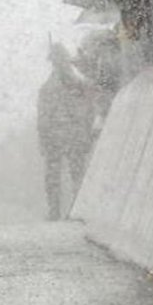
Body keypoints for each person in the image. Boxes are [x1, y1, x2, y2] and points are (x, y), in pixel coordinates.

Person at [37, 42, 97, 221]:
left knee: (69, 175)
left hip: (68, 134)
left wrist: (86, 131)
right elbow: (43, 117)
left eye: (58, 59)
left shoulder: (72, 85)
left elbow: (88, 110)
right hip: (64, 135)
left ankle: (70, 210)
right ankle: (61, 210)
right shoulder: (53, 87)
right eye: (56, 60)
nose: (57, 63)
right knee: (62, 176)